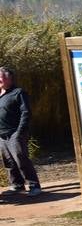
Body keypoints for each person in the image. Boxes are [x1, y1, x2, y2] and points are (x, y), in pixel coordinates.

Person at [0, 66, 41, 197]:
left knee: (20, 158)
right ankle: (17, 185)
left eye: (1, 78)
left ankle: (34, 185)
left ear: (9, 78)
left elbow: (26, 112)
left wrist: (20, 131)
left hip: (15, 133)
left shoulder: (18, 93)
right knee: (8, 161)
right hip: (1, 134)